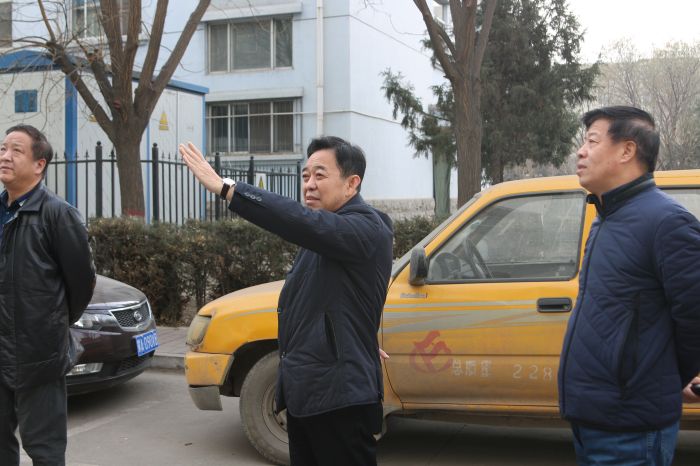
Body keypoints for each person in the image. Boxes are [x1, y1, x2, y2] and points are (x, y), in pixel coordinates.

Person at [180, 136, 393, 466]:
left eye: (320, 175)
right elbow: (323, 299)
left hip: (339, 399)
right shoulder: (321, 235)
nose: (309, 184)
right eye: (305, 175)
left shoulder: (368, 227)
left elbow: (300, 221)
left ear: (352, 184)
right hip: (306, 394)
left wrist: (228, 189)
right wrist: (354, 334)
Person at [558, 106, 700, 466]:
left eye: (592, 141)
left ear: (627, 150)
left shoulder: (666, 222)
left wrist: (670, 376)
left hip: (631, 430)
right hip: (594, 420)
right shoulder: (606, 218)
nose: (581, 152)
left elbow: (695, 316)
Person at [0, 125, 96, 466]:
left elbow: (81, 283)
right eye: (2, 149)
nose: (5, 157)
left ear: (39, 164)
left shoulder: (58, 214)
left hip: (38, 355)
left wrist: (51, 324)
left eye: (16, 150)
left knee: (45, 450)